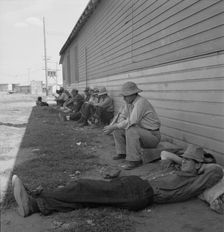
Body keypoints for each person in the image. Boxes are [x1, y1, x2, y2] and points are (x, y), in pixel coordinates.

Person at [12, 144, 223, 217]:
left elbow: (217, 170)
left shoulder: (197, 180)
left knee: (83, 186)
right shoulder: (177, 168)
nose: (185, 161)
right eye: (184, 158)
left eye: (189, 160)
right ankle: (36, 203)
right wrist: (184, 159)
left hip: (141, 194)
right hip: (134, 185)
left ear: (198, 165)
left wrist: (200, 164)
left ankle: (33, 201)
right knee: (86, 198)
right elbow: (167, 154)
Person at [103, 81, 161, 170]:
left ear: (133, 94)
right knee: (118, 128)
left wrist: (114, 126)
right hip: (143, 133)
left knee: (130, 129)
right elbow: (122, 116)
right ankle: (122, 153)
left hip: (152, 136)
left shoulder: (141, 102)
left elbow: (132, 121)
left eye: (125, 96)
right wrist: (116, 125)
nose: (124, 98)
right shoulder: (129, 103)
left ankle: (134, 160)